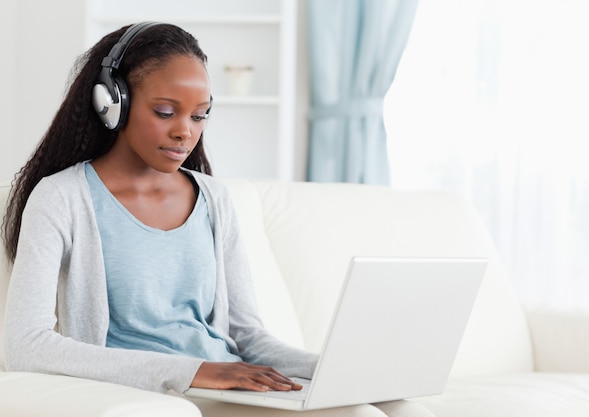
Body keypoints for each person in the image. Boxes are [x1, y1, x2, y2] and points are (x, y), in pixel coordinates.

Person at [1, 22, 434, 417]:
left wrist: (334, 369)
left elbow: (248, 334)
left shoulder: (212, 197)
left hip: (226, 384)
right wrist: (195, 371)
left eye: (200, 114)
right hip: (156, 394)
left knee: (399, 408)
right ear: (112, 103)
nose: (185, 131)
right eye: (166, 112)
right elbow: (25, 344)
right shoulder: (61, 197)